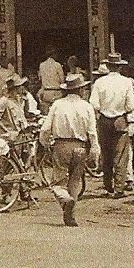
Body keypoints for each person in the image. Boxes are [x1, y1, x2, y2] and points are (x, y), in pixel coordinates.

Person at [39, 73, 100, 227]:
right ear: (80, 90)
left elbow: (46, 128)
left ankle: (66, 201)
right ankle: (70, 215)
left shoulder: (57, 104)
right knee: (76, 180)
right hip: (81, 146)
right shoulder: (87, 106)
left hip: (61, 145)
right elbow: (92, 132)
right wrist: (94, 149)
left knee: (57, 182)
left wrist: (44, 143)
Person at [89, 52, 134, 198]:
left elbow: (94, 104)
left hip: (104, 119)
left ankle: (108, 185)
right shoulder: (126, 82)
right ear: (120, 67)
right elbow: (131, 105)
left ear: (108, 66)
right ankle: (119, 188)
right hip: (120, 119)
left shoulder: (99, 82)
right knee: (121, 154)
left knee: (106, 153)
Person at [38, 47, 65, 114]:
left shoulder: (41, 65)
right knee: (56, 114)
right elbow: (62, 81)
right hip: (56, 93)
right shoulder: (57, 65)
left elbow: (40, 79)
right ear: (53, 54)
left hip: (46, 93)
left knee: (46, 115)